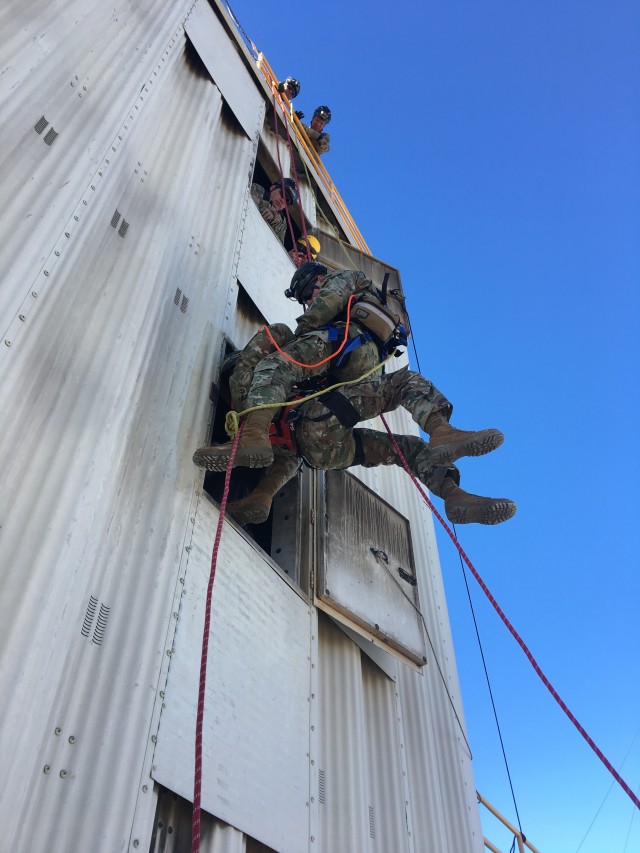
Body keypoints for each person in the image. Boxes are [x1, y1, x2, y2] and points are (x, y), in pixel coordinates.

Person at [193, 337, 516, 527]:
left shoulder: (246, 394)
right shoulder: (262, 376)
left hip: (302, 444)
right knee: (402, 395)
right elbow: (282, 361)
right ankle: (443, 440)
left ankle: (261, 494)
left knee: (291, 450)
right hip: (319, 436)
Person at [250, 178, 299, 243]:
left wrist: (273, 218)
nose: (282, 201)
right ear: (272, 187)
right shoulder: (256, 189)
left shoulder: (282, 224)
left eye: (287, 201)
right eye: (283, 194)